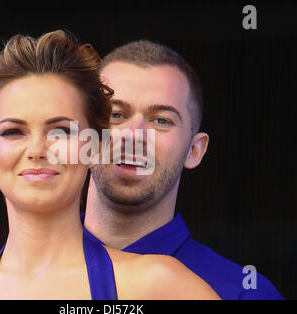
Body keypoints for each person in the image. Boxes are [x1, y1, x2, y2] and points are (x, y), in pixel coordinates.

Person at [0, 31, 220, 300]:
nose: (38, 149)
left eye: (61, 131)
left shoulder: (161, 286)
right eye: (14, 131)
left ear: (96, 145)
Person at [83, 40, 284, 300]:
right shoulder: (17, 272)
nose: (134, 135)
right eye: (117, 115)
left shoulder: (243, 293)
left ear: (195, 150)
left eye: (161, 120)